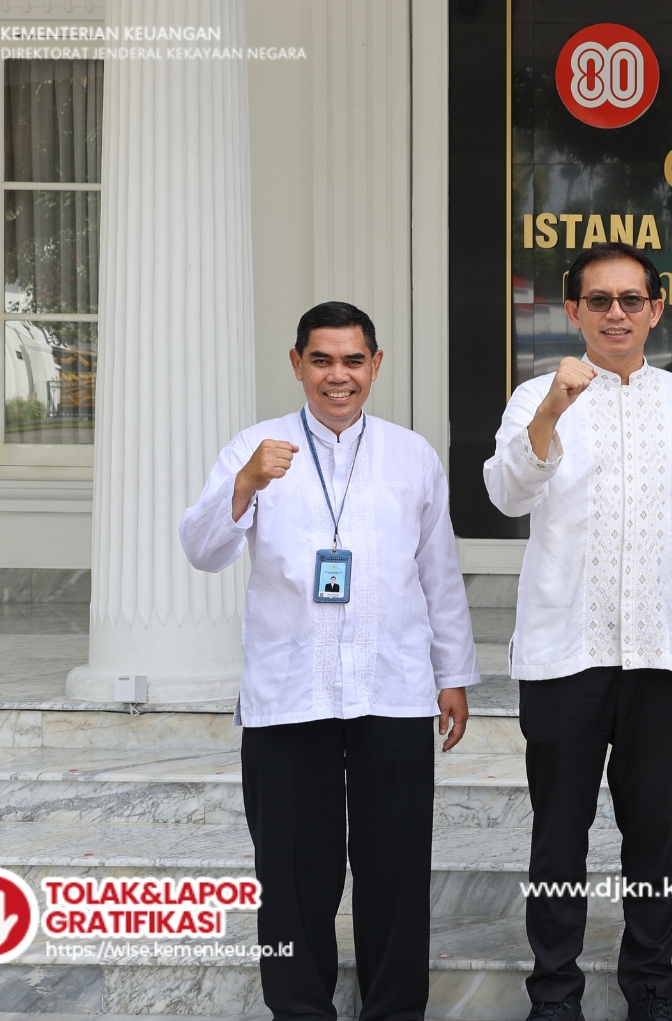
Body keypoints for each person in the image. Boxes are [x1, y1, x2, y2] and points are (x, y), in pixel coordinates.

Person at [180, 301, 477, 1021]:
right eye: (321, 360)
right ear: (296, 365)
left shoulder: (412, 455)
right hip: (290, 695)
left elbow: (438, 573)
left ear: (375, 365)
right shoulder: (255, 446)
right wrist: (244, 485)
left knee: (396, 870)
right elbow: (200, 548)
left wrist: (454, 675)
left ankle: (394, 1010)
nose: (337, 376)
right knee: (291, 874)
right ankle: (301, 1010)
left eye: (352, 360)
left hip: (393, 687)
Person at [485, 241, 672, 1021]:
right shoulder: (538, 394)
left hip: (661, 654)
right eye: (598, 301)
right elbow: (504, 494)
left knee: (652, 836)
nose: (616, 314)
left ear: (656, 309)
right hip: (564, 654)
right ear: (573, 312)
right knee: (558, 835)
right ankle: (554, 994)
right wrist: (552, 413)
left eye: (631, 299)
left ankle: (650, 992)